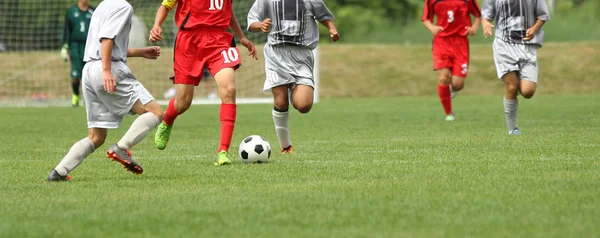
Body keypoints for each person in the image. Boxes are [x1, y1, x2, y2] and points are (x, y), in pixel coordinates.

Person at [48, 0, 164, 181]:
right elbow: (106, 39)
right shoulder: (123, 6)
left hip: (89, 71)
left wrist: (140, 52)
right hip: (107, 69)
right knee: (155, 112)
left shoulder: (102, 6)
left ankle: (59, 172)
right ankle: (122, 147)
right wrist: (106, 71)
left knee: (96, 137)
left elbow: (107, 45)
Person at [149, 0, 258, 165]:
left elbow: (227, 11)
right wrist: (157, 25)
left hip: (219, 40)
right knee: (183, 103)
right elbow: (165, 6)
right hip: (189, 42)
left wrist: (241, 36)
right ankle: (167, 121)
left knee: (229, 89)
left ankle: (223, 151)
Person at [247, 0, 339, 154]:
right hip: (276, 53)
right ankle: (286, 146)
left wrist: (332, 28)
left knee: (303, 105)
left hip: (302, 55)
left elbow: (322, 14)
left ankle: (292, 88)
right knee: (280, 101)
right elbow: (252, 21)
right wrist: (261, 25)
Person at [482, 0, 550, 135]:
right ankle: (513, 128)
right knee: (511, 87)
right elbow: (487, 13)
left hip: (527, 45)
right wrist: (485, 22)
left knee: (528, 91)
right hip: (504, 45)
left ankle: (517, 84)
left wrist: (534, 28)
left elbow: (543, 15)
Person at [421, 0, 481, 121]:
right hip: (441, 41)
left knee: (457, 85)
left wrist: (474, 27)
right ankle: (449, 113)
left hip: (460, 42)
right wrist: (431, 27)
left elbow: (478, 14)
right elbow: (426, 19)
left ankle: (452, 89)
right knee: (444, 77)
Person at [61, 0, 95, 107]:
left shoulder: (93, 11)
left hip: (89, 46)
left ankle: (88, 98)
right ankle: (75, 96)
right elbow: (67, 30)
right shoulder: (71, 12)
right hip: (75, 46)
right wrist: (65, 46)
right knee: (76, 75)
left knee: (89, 75)